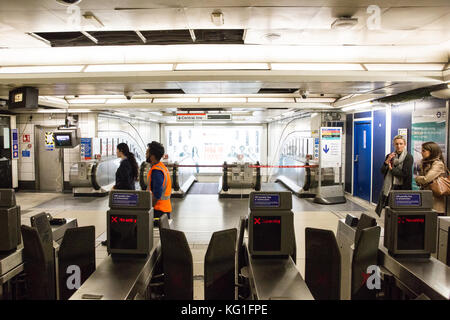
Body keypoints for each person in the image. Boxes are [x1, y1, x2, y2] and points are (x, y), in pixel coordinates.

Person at [375, 135, 413, 216]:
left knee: (401, 213)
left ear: (404, 144)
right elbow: (382, 171)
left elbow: (405, 174)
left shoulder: (408, 157)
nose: (399, 146)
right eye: (396, 144)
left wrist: (392, 170)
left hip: (402, 188)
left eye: (401, 144)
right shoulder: (390, 156)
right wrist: (387, 161)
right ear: (394, 145)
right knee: (389, 212)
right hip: (390, 187)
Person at [415, 142, 447, 215]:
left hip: (435, 201)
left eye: (424, 151)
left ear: (432, 151)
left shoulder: (438, 164)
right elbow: (421, 182)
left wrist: (417, 178)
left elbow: (426, 179)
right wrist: (420, 180)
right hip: (425, 198)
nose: (421, 153)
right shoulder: (424, 163)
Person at [146, 141, 172, 220]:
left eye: (147, 152)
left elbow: (157, 193)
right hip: (164, 209)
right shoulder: (161, 167)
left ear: (152, 156)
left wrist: (149, 208)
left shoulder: (157, 171)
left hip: (159, 211)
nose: (146, 154)